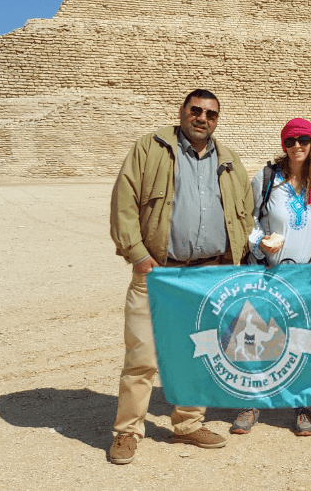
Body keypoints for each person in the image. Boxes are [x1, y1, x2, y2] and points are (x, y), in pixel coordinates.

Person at [107, 89, 254, 465]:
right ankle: (128, 431)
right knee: (142, 355)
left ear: (217, 120)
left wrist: (231, 263)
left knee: (197, 353)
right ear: (182, 111)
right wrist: (138, 255)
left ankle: (188, 424)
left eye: (211, 114)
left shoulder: (229, 160)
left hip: (207, 274)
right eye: (196, 110)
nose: (202, 118)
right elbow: (124, 202)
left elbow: (244, 213)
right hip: (158, 271)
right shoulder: (151, 149)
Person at [229, 118, 311, 438]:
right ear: (284, 144)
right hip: (268, 271)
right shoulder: (267, 178)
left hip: (307, 274)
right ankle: (252, 402)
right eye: (291, 141)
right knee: (255, 336)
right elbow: (249, 219)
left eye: (304, 140)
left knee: (300, 340)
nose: (297, 146)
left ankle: (301, 403)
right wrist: (259, 241)